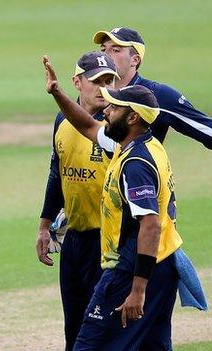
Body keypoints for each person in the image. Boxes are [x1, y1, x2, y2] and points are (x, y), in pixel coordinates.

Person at [43, 56, 183, 350]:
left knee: (89, 344)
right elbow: (87, 127)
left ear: (133, 117)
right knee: (152, 345)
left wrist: (138, 288)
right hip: (161, 264)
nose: (106, 111)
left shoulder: (136, 162)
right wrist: (57, 93)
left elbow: (150, 225)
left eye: (115, 107)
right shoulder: (136, 142)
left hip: (134, 266)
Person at [36, 51, 119, 350]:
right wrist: (45, 225)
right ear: (77, 82)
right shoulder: (62, 119)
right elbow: (56, 174)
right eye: (96, 81)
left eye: (109, 81)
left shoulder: (118, 125)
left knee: (101, 330)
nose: (103, 88)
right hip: (74, 241)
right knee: (74, 327)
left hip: (109, 243)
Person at [93, 27, 212, 148]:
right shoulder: (90, 91)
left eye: (116, 50)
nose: (105, 56)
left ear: (135, 60)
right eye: (103, 49)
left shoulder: (158, 95)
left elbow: (207, 131)